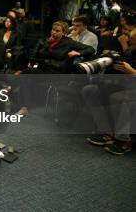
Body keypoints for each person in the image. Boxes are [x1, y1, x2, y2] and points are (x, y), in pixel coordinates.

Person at [81, 27, 135, 155]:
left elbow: (131, 72)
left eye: (132, 41)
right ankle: (106, 131)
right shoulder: (131, 50)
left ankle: (123, 140)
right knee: (90, 90)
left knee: (118, 98)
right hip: (127, 85)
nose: (129, 43)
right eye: (130, 41)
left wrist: (131, 72)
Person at [24, 21, 95, 74]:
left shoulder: (68, 42)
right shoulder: (43, 41)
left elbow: (91, 49)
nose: (53, 32)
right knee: (26, 73)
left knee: (28, 73)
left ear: (63, 33)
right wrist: (31, 62)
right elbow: (34, 56)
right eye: (53, 30)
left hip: (57, 70)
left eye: (57, 31)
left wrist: (78, 53)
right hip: (42, 67)